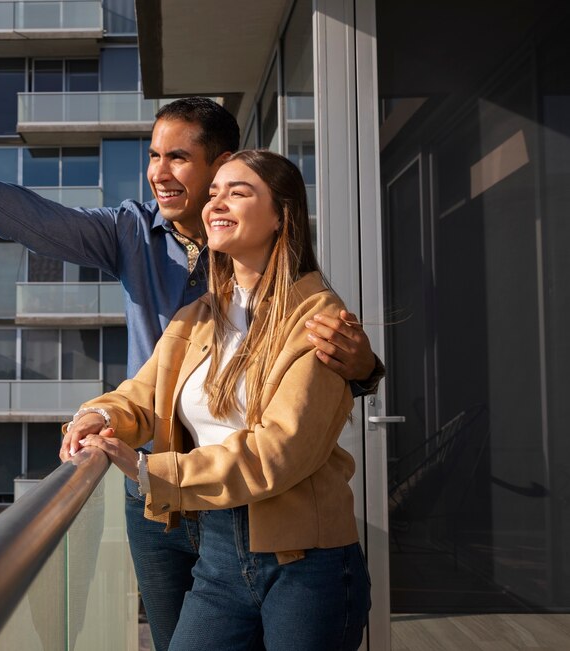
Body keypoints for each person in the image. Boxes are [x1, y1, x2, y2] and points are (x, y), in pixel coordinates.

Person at [0, 99, 381, 650]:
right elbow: (35, 223)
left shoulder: (302, 304)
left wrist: (364, 369)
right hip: (163, 501)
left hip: (273, 521)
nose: (158, 173)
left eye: (179, 159)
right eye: (154, 156)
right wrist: (98, 415)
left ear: (225, 168)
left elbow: (295, 419)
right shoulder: (146, 247)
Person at [66, 150, 371, 650]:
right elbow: (142, 397)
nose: (215, 204)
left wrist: (153, 473)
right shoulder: (200, 315)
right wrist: (99, 416)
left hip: (306, 563)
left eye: (238, 192)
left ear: (281, 215)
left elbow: (280, 450)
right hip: (219, 553)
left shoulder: (319, 319)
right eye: (213, 193)